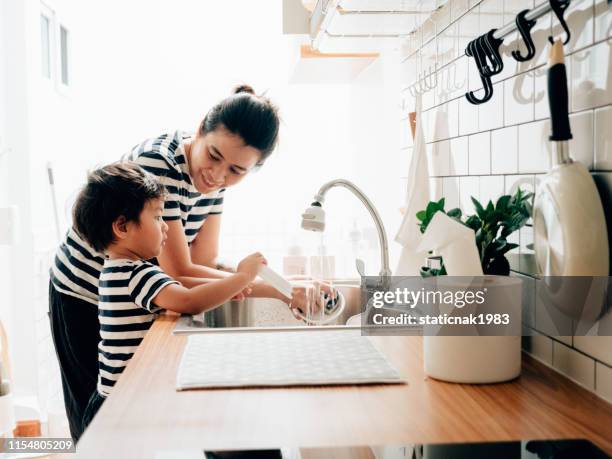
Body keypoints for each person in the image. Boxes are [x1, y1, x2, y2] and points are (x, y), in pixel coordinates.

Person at [49, 85, 309, 441]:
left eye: (236, 170)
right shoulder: (160, 165)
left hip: (138, 295)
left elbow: (205, 261)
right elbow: (181, 274)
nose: (218, 176)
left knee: (120, 422)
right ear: (200, 127)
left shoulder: (214, 185)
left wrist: (283, 289)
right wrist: (263, 285)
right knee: (94, 426)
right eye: (214, 156)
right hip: (84, 291)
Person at [71, 163, 268, 433]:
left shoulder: (115, 270)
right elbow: (188, 300)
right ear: (122, 226)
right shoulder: (135, 274)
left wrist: (227, 290)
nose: (166, 228)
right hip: (122, 408)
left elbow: (182, 294)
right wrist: (242, 276)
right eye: (157, 217)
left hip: (111, 400)